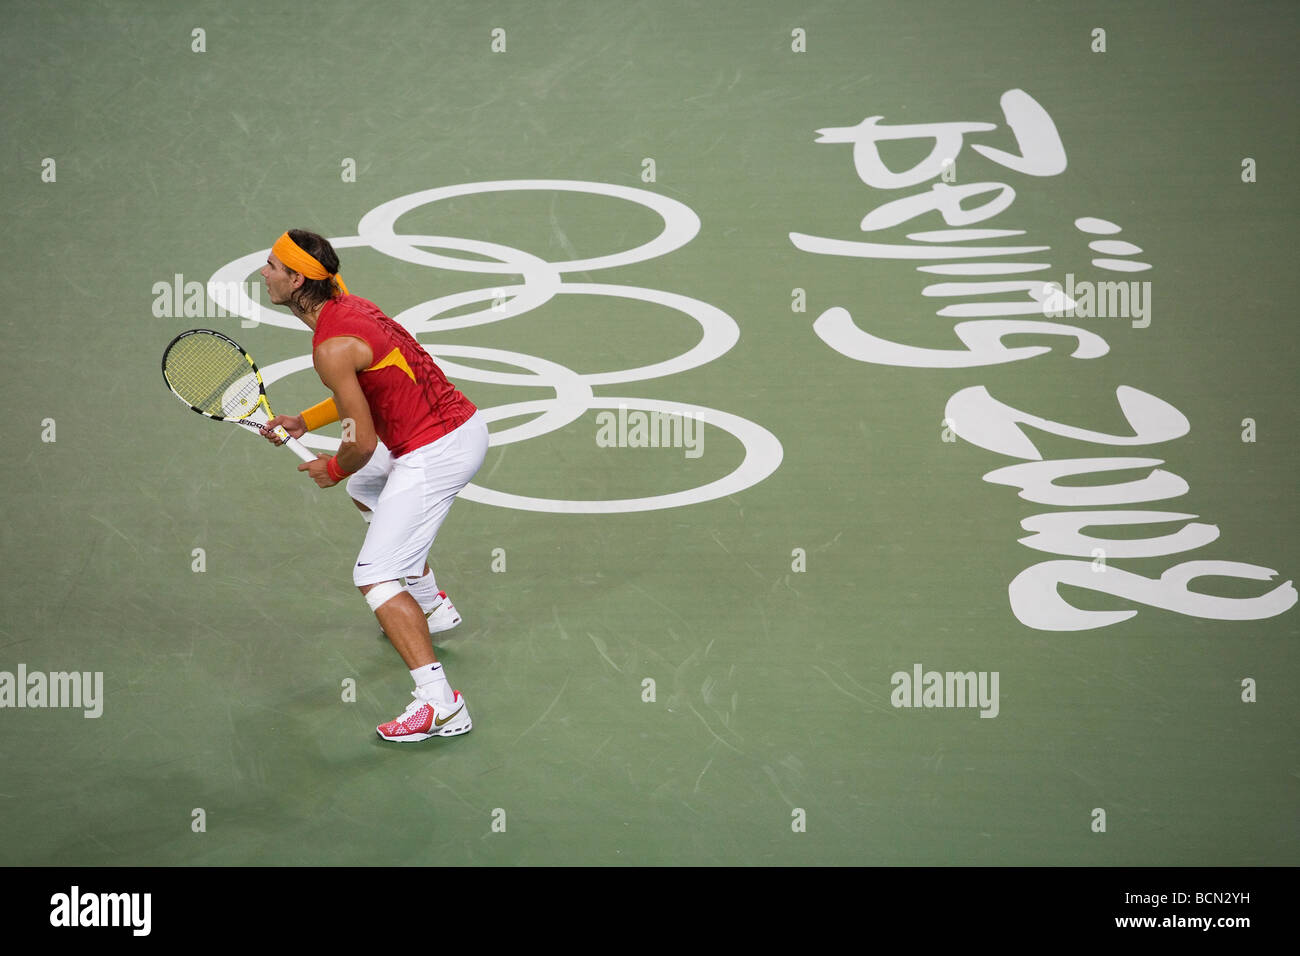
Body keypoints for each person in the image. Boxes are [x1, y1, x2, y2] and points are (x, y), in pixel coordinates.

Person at [258, 228, 488, 742]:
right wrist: (305, 422)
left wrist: (332, 469)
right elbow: (361, 393)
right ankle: (430, 604)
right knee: (368, 490)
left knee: (375, 575)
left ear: (297, 280)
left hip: (436, 451)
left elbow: (360, 443)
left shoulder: (331, 346)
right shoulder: (349, 306)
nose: (264, 272)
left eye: (273, 265)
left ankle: (441, 705)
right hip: (448, 428)